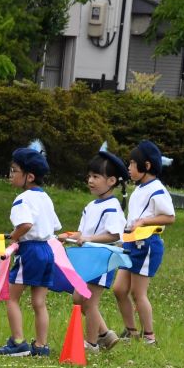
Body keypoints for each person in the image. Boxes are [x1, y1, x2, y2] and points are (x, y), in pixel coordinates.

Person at [0, 143, 61, 357]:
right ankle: (41, 346)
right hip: (48, 251)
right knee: (39, 302)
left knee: (12, 298)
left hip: (30, 251)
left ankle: (18, 342)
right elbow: (55, 227)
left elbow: (25, 225)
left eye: (14, 171)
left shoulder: (22, 199)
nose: (10, 174)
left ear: (29, 176)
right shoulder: (45, 197)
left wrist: (13, 236)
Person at [58, 148, 128, 351]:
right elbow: (82, 233)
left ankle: (91, 343)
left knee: (88, 300)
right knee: (79, 298)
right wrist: (68, 237)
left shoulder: (113, 207)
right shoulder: (90, 206)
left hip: (102, 259)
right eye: (89, 176)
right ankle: (106, 334)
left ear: (112, 181)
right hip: (88, 259)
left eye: (96, 176)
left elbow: (115, 235)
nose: (90, 180)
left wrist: (89, 238)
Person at [112, 140, 176, 345]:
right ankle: (131, 332)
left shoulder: (157, 189)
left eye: (132, 164)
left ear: (146, 166)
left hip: (146, 245)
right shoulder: (140, 189)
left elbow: (170, 217)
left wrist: (144, 221)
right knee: (119, 289)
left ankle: (149, 337)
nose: (129, 168)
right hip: (131, 244)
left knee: (138, 293)